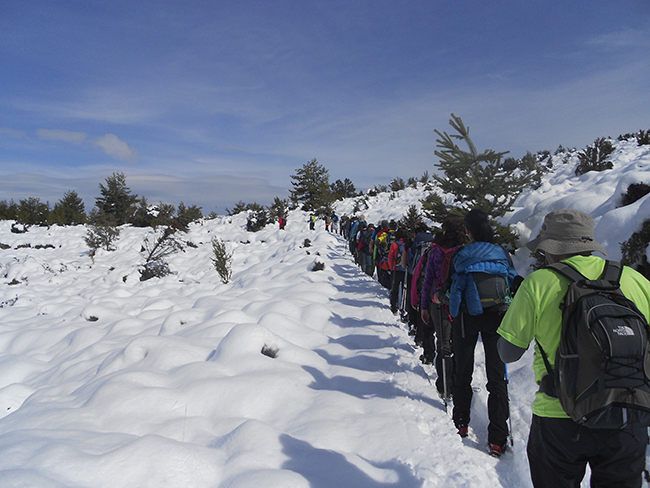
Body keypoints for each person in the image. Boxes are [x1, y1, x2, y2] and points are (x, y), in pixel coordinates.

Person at [497, 209, 650, 487]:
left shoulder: (538, 283)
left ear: (551, 248)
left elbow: (508, 353)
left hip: (560, 416)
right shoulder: (634, 279)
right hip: (627, 414)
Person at [433, 209, 517, 456]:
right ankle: (497, 438)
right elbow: (512, 282)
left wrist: (438, 297)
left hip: (465, 319)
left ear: (467, 231)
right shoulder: (501, 252)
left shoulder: (462, 253)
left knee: (463, 371)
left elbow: (448, 288)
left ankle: (461, 423)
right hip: (497, 317)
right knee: (497, 377)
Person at [419, 218, 466, 398]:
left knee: (444, 344)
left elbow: (427, 280)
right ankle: (458, 382)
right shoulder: (463, 250)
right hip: (459, 303)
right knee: (459, 344)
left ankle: (444, 386)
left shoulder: (435, 251)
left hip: (438, 302)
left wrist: (424, 306)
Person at [388, 228, 408, 314]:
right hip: (405, 270)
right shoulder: (407, 244)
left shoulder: (394, 244)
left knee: (395, 288)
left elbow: (390, 258)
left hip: (395, 270)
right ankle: (404, 307)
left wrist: (391, 267)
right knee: (405, 289)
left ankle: (394, 306)